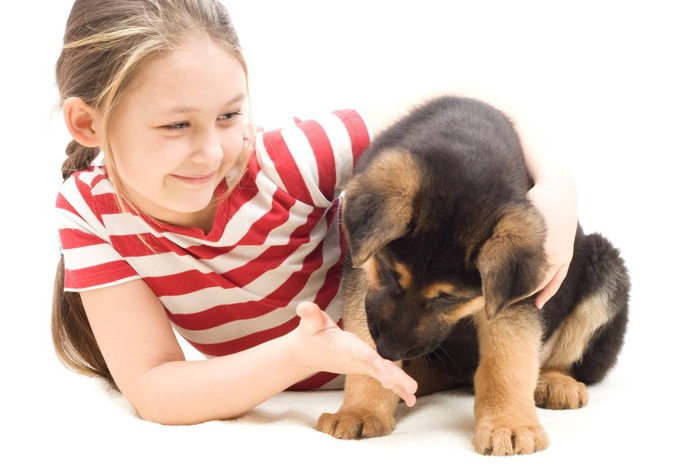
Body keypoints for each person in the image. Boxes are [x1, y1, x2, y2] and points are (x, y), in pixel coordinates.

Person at [52, 0, 577, 426]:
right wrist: (300, 355)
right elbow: (154, 390)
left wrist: (558, 186)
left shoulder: (288, 164)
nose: (213, 152)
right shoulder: (90, 213)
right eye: (175, 126)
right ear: (87, 123)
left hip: (419, 354)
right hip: (341, 372)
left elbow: (465, 100)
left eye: (230, 115)